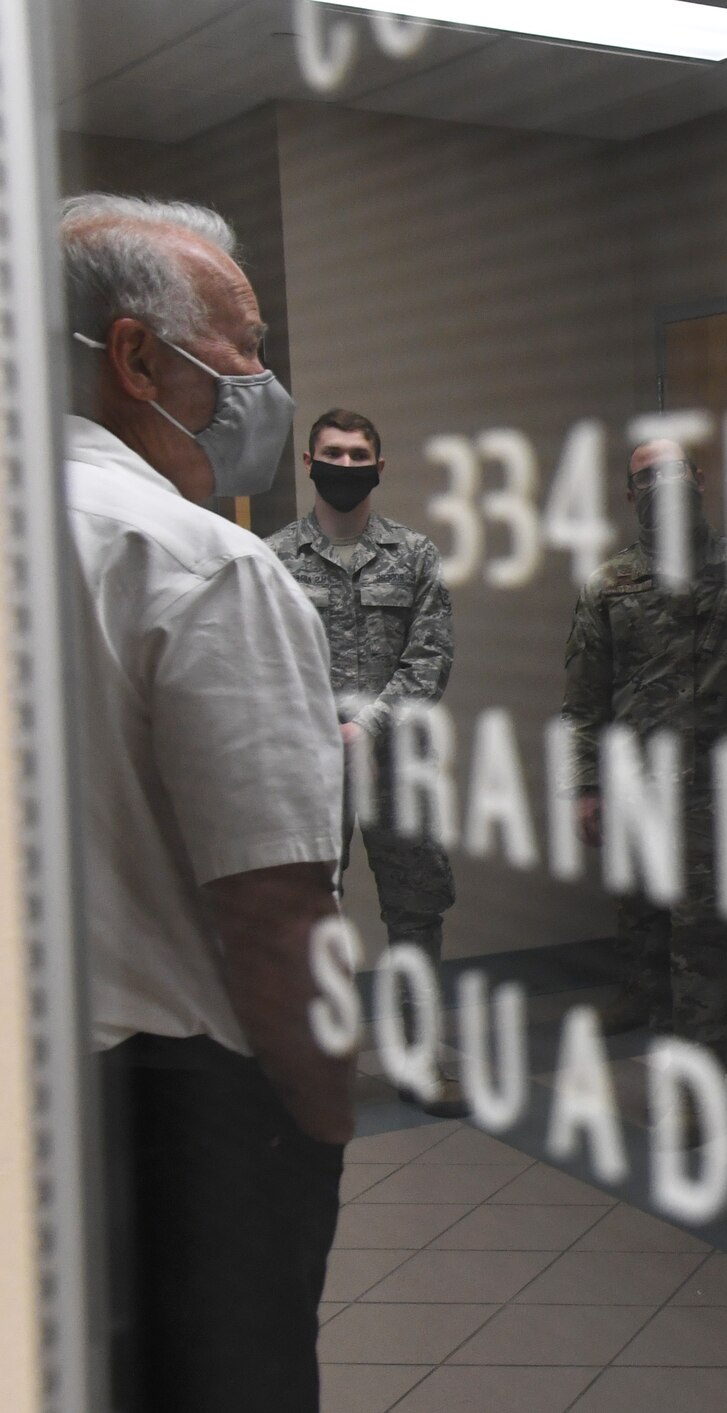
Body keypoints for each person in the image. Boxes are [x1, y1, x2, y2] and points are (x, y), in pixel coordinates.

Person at [61, 194, 352, 1412]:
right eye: (242, 343)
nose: (264, 380)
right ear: (137, 357)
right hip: (174, 1109)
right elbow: (275, 910)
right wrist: (322, 1120)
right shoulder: (196, 565)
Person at [561, 438, 727, 1062]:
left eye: (674, 470)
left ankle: (702, 1071)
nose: (662, 483)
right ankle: (647, 1007)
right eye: (646, 476)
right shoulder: (609, 584)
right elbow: (583, 701)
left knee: (701, 931)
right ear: (631, 495)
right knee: (643, 914)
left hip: (722, 788)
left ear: (701, 479)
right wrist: (585, 786)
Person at [267, 407, 463, 1117]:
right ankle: (315, 1063)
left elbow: (431, 656)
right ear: (309, 462)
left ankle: (420, 1060)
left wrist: (370, 725)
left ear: (380, 467)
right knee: (311, 914)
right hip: (309, 770)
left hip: (397, 767)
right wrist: (325, 731)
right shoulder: (273, 558)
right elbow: (266, 665)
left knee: (415, 914)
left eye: (358, 456)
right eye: (332, 454)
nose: (344, 466)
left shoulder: (413, 555)